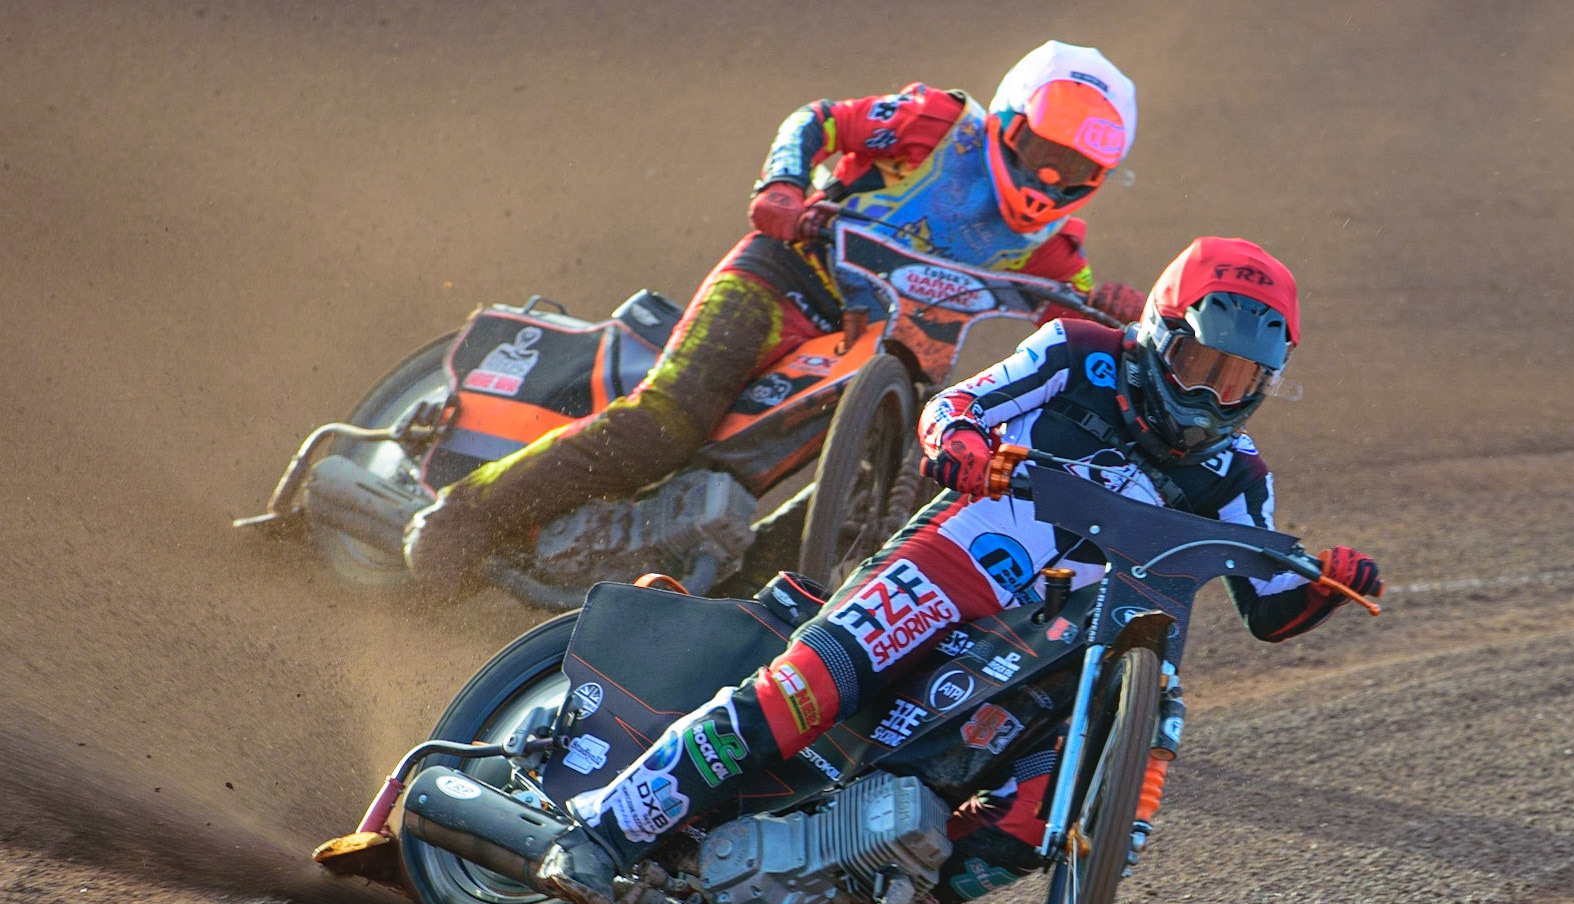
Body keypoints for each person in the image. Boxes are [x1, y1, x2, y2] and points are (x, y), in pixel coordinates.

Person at [534, 235, 1385, 904]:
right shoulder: (1077, 352)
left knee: (1059, 807)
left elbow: (1270, 606)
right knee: (803, 693)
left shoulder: (1239, 474)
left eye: (1240, 380)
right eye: (1203, 365)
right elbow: (955, 410)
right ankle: (607, 828)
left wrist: (1324, 581)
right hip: (953, 566)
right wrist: (967, 449)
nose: (1214, 394)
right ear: (1163, 334)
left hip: (1074, 649)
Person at [402, 41, 1148, 595]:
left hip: (876, 361)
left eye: (1077, 171)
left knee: (910, 479)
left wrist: (1115, 317)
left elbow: (1071, 326)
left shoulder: (1054, 250)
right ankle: (461, 519)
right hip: (784, 279)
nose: (1050, 180)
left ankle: (742, 610)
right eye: (1044, 152)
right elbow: (820, 122)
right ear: (1009, 123)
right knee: (668, 420)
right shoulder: (933, 125)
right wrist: (784, 184)